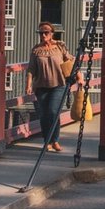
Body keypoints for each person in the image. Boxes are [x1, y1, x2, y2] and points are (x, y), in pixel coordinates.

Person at [28, 24, 78, 152]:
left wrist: (79, 77)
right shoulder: (36, 50)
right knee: (44, 115)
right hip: (41, 86)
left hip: (58, 85)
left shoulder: (60, 47)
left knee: (53, 112)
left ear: (52, 33)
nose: (43, 35)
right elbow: (31, 69)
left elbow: (70, 61)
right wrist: (28, 85)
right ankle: (47, 141)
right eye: (41, 33)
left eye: (46, 32)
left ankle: (55, 140)